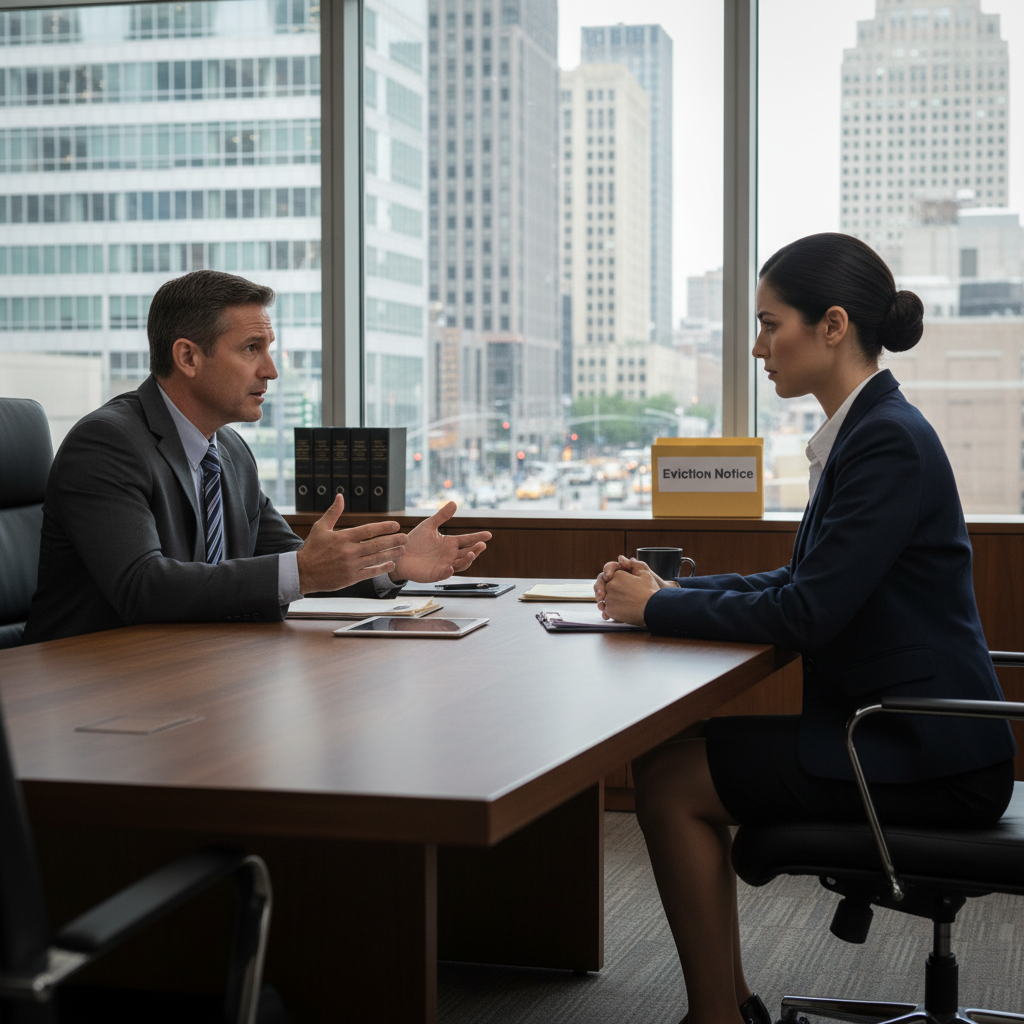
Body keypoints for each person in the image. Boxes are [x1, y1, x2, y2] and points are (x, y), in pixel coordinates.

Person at [593, 233, 1016, 1024]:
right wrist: (673, 589)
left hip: (922, 750)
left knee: (670, 780)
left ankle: (718, 1014)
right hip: (904, 731)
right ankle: (726, 1007)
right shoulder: (867, 429)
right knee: (669, 759)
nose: (758, 347)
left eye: (768, 323)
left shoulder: (885, 440)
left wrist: (656, 606)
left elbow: (806, 613)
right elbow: (802, 583)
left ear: (831, 325)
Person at [25, 270, 491, 643]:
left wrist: (390, 562)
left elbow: (292, 559)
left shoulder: (227, 449)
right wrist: (303, 570)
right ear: (187, 357)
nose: (270, 370)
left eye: (268, 349)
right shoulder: (107, 444)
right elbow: (143, 587)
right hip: (87, 683)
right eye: (252, 349)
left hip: (191, 667)